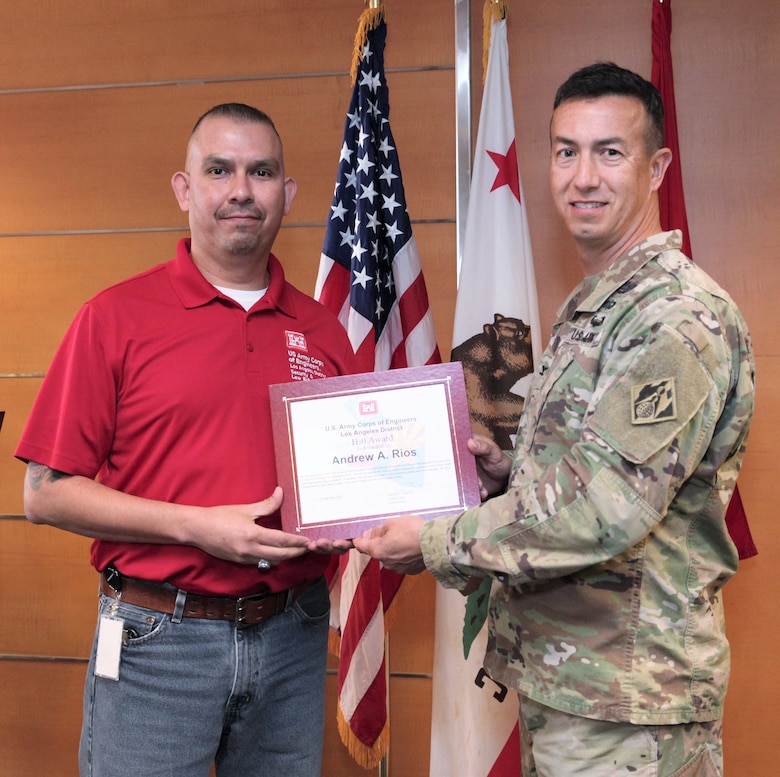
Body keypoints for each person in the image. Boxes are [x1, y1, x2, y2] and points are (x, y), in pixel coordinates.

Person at [354, 63, 755, 776]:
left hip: (631, 710)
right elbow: (591, 468)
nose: (583, 177)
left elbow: (603, 510)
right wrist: (510, 468)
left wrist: (437, 540)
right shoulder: (594, 305)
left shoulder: (676, 319)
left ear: (657, 166)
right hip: (572, 689)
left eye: (610, 152)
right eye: (567, 150)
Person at [16, 103, 357, 777]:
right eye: (219, 169)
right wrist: (199, 528)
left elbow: (352, 475)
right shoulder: (114, 318)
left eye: (261, 172)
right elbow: (44, 495)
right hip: (157, 638)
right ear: (184, 189)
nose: (240, 189)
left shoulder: (324, 330)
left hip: (292, 633)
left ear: (285, 193)